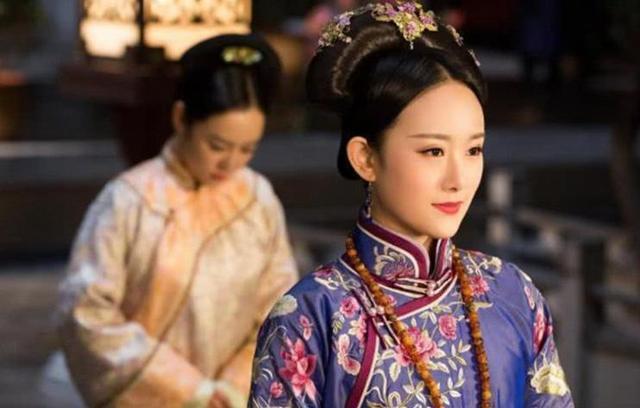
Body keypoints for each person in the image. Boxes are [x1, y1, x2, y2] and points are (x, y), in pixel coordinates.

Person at [249, 2, 574, 407]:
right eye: (433, 151)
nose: (458, 179)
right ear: (365, 158)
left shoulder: (513, 293)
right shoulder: (312, 316)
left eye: (473, 150)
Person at [55, 33, 298, 408]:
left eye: (247, 149)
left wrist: (233, 388)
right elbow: (87, 313)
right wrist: (190, 391)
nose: (231, 163)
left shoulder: (257, 198)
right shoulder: (129, 199)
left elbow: (280, 308)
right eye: (217, 145)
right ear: (181, 118)